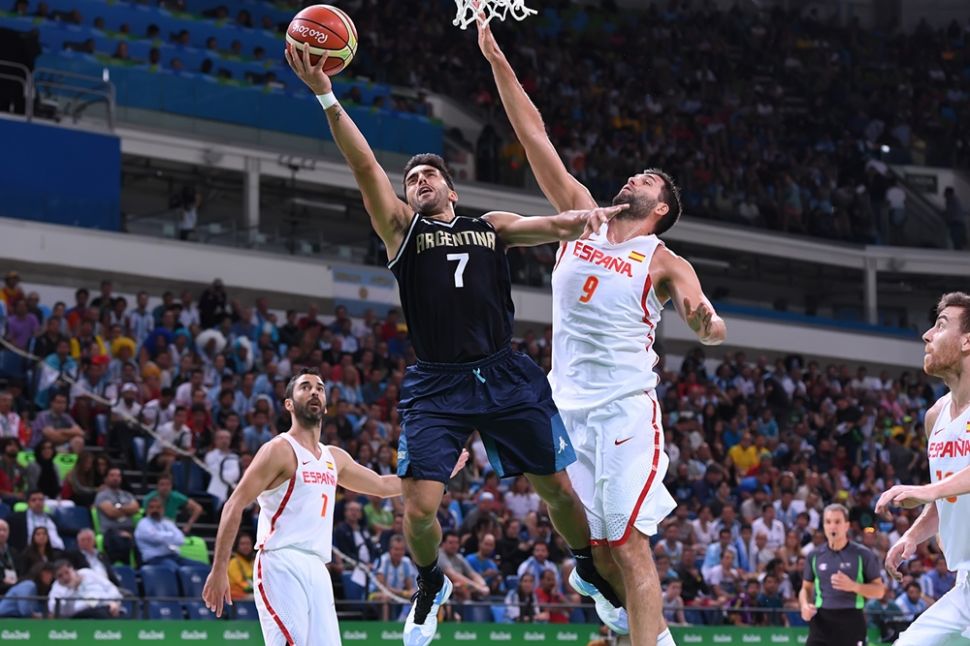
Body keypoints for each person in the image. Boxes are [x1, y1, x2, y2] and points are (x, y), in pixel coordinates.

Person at [286, 41, 624, 646]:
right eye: (411, 179)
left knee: (557, 490)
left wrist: (592, 217)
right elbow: (365, 166)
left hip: (505, 372)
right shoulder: (401, 231)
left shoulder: (489, 226)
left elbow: (554, 225)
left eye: (428, 176)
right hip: (437, 382)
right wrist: (326, 95)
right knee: (417, 508)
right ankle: (429, 582)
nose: (418, 183)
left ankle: (588, 568)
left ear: (451, 190)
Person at [477, 20, 726, 645]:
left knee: (630, 544)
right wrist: (497, 58)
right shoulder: (581, 216)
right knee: (596, 546)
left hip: (622, 409)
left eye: (648, 179)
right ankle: (623, 606)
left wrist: (707, 323)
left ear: (661, 207)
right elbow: (534, 135)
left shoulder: (663, 259)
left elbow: (705, 317)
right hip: (566, 406)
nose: (634, 177)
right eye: (636, 173)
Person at [202, 369, 468, 646]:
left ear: (326, 405)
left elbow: (381, 485)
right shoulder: (279, 449)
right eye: (305, 387)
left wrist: (436, 475)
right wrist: (219, 569)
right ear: (289, 404)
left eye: (320, 388)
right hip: (281, 562)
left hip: (318, 568)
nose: (314, 392)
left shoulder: (334, 457)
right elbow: (233, 504)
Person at [875, 291, 970, 645]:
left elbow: (938, 490)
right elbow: (948, 496)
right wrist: (912, 536)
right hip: (965, 585)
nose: (927, 335)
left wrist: (926, 491)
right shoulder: (935, 416)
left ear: (967, 341)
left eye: (940, 325)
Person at [797, 504, 884, 646]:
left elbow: (879, 591)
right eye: (828, 522)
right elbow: (805, 588)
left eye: (837, 522)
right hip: (821, 622)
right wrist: (805, 605)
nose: (832, 526)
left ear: (846, 525)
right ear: (824, 526)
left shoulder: (863, 555)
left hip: (851, 621)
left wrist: (853, 586)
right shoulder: (814, 556)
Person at [134, 496, 196, 568]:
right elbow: (155, 538)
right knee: (176, 569)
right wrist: (172, 535)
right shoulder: (143, 523)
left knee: (202, 567)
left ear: (163, 509)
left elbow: (180, 539)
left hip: (174, 557)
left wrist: (162, 535)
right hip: (155, 559)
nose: (155, 510)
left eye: (158, 507)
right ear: (147, 510)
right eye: (151, 507)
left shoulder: (167, 522)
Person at [48, 559, 123, 618]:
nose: (65, 577)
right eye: (60, 576)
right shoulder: (57, 588)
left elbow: (110, 588)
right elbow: (55, 609)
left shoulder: (87, 573)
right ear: (56, 578)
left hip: (108, 608)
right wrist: (72, 589)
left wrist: (114, 602)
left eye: (67, 572)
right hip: (81, 616)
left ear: (73, 569)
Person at [94, 468, 140, 564]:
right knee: (122, 541)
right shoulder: (102, 495)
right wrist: (128, 510)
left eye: (118, 475)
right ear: (105, 478)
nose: (115, 478)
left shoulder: (127, 495)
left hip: (130, 529)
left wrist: (118, 508)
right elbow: (111, 513)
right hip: (111, 531)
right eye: (112, 475)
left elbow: (136, 508)